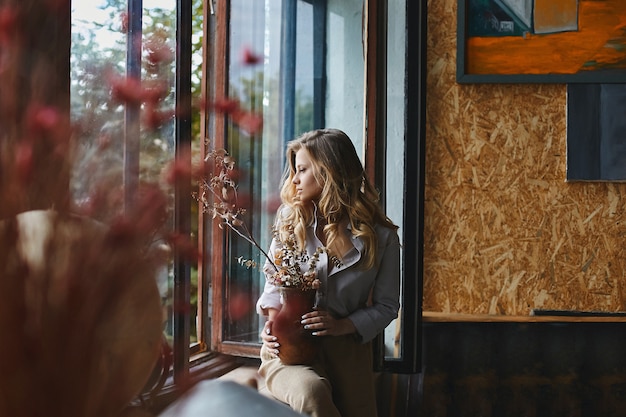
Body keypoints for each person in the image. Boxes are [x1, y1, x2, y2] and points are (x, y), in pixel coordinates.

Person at [255, 128, 400, 417]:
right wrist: (272, 329)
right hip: (289, 354)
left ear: (329, 172)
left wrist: (341, 326)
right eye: (295, 170)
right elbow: (273, 290)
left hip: (348, 355)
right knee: (312, 392)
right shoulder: (288, 220)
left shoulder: (382, 237)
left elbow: (387, 306)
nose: (294, 179)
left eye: (303, 169)